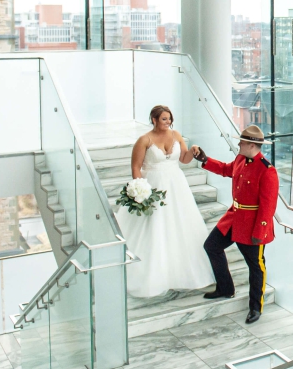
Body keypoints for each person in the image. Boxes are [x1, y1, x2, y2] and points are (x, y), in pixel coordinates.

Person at [115, 105, 216, 298]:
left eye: (169, 119)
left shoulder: (176, 135)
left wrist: (193, 150)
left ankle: (182, 273)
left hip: (176, 185)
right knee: (155, 227)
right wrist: (141, 191)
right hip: (153, 185)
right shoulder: (144, 140)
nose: (168, 122)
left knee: (180, 225)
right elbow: (136, 167)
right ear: (153, 119)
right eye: (163, 119)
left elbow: (184, 159)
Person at [191, 124, 279, 324]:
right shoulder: (241, 159)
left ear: (251, 145)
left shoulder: (267, 171)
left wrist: (260, 230)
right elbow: (225, 169)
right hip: (233, 218)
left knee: (256, 267)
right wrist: (205, 160)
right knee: (211, 246)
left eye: (242, 141)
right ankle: (226, 288)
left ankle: (255, 307)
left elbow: (268, 206)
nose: (238, 143)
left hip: (251, 226)